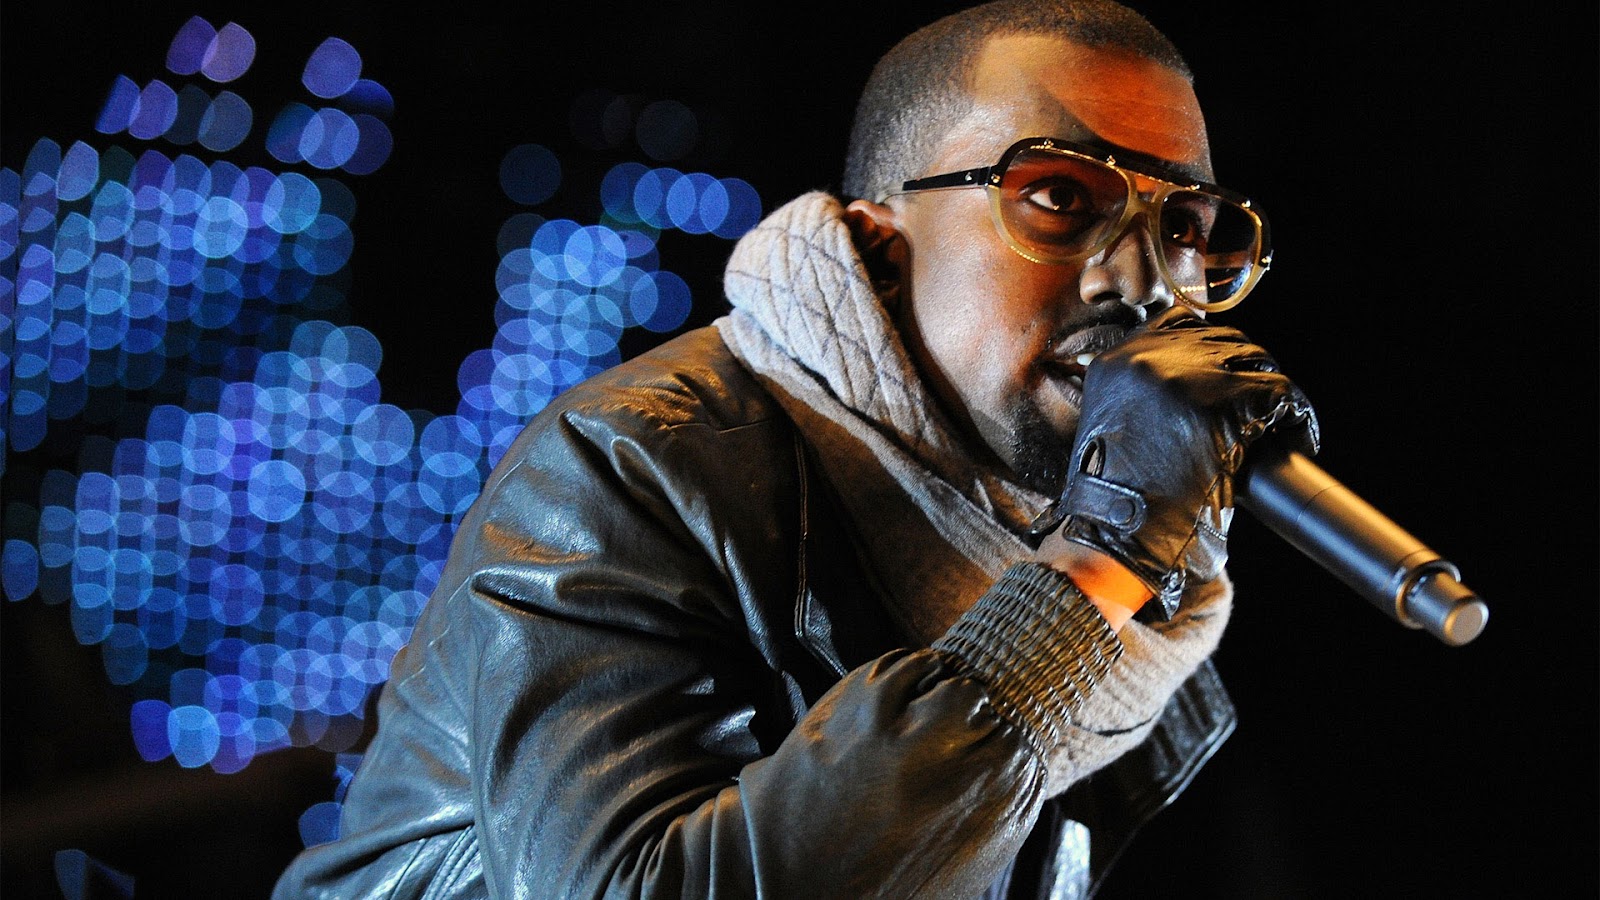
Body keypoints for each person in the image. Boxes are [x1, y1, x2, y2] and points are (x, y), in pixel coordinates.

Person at [273, 1, 1318, 897]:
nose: (1142, 282)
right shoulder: (632, 464)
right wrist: (1098, 564)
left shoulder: (1125, 605)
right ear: (882, 247)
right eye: (1059, 198)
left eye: (1187, 229)